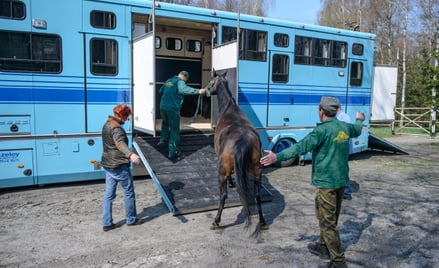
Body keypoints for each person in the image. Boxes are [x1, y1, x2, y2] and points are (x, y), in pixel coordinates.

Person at [260, 96, 365, 268]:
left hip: (326, 183)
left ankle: (338, 261)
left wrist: (276, 156)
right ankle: (323, 246)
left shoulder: (321, 131)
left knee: (327, 221)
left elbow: (300, 147)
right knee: (328, 215)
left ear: (321, 111)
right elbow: (357, 129)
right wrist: (360, 120)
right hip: (340, 180)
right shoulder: (345, 127)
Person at [101, 104, 142, 232]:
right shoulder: (117, 128)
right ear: (122, 115)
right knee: (128, 192)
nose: (127, 119)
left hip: (108, 165)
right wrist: (131, 154)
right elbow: (120, 143)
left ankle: (106, 223)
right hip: (119, 164)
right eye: (127, 116)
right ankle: (131, 219)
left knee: (108, 195)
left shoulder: (106, 124)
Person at [158, 70, 207, 159]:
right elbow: (185, 90)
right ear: (184, 78)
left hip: (162, 107)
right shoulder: (180, 82)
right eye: (186, 80)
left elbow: (160, 91)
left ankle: (163, 139)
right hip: (172, 109)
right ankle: (173, 151)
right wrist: (199, 91)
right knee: (174, 130)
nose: (185, 82)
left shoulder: (168, 81)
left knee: (165, 123)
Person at [336, 105, 353, 200]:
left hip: (341, 149)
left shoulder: (344, 117)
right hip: (340, 149)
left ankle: (346, 192)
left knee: (342, 170)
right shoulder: (340, 116)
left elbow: (343, 133)